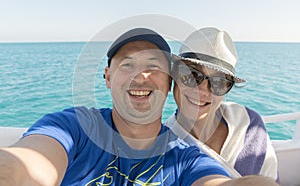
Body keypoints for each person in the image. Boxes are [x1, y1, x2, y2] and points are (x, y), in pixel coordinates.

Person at [0, 27, 279, 186]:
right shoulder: (73, 128)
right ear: (108, 77)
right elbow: (29, 165)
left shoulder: (185, 158)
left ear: (168, 82)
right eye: (128, 64)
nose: (140, 76)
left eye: (153, 66)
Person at [166, 27, 279, 181]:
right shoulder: (164, 146)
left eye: (218, 82)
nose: (202, 91)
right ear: (174, 74)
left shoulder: (250, 124)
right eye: (192, 75)